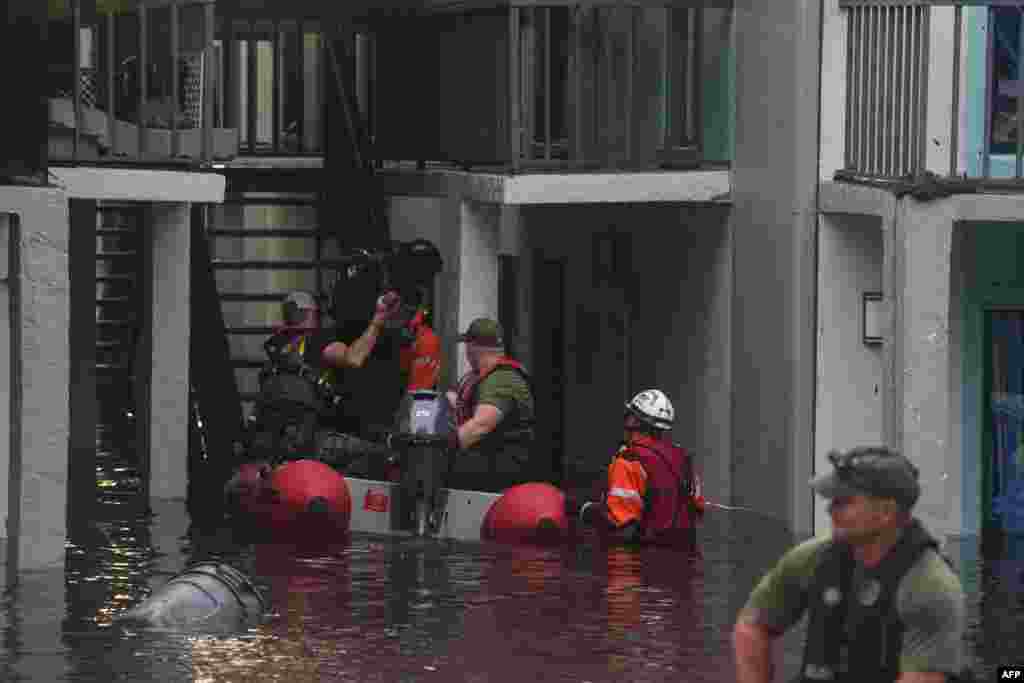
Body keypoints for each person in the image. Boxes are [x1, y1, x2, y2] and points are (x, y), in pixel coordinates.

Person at [732, 446, 967, 683]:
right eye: (832, 501)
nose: (830, 510)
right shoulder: (810, 559)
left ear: (886, 512)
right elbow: (752, 628)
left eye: (843, 502)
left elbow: (922, 678)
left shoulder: (930, 586)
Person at [571, 389, 705, 551]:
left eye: (629, 415)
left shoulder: (629, 459)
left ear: (634, 421)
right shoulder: (683, 458)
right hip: (686, 554)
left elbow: (622, 523)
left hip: (645, 557)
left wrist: (582, 509)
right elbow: (698, 509)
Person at [445, 318, 536, 492]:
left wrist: (441, 448)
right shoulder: (478, 377)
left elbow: (481, 425)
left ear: (471, 347)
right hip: (482, 465)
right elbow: (456, 404)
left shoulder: (502, 379)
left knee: (435, 468)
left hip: (499, 472)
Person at [397, 290, 442, 392]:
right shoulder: (413, 319)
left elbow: (424, 311)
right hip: (417, 382)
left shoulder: (420, 318)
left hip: (422, 384)